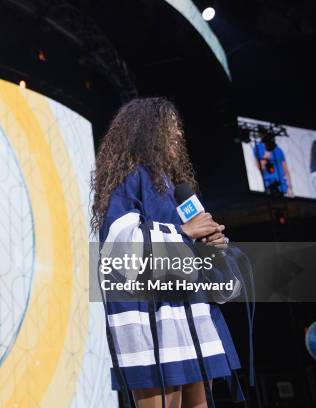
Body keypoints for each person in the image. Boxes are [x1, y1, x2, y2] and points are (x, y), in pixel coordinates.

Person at [91, 97, 243, 408]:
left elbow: (200, 251)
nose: (176, 135)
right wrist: (185, 233)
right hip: (153, 323)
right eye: (168, 127)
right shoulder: (129, 179)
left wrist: (214, 249)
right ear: (144, 131)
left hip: (195, 317)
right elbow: (119, 247)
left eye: (177, 128)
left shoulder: (180, 191)